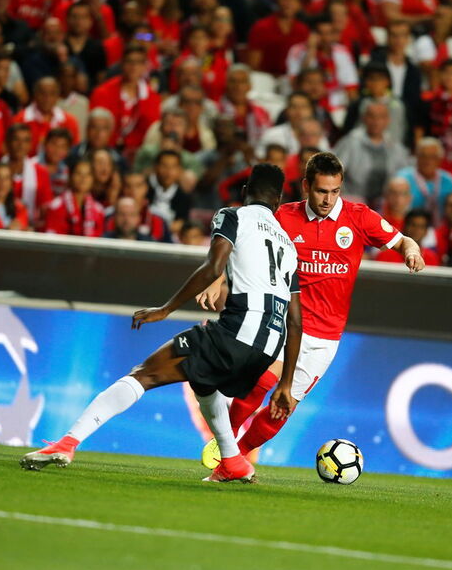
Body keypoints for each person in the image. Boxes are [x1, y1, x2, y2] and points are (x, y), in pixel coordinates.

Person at [22, 163, 303, 484]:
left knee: (145, 374)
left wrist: (166, 308)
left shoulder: (233, 216)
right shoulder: (288, 245)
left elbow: (213, 267)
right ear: (279, 202)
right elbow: (296, 320)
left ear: (244, 193)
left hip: (237, 332)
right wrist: (286, 383)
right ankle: (232, 461)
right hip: (267, 349)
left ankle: (67, 443)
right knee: (204, 385)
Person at [194, 152, 423, 466]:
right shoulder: (283, 217)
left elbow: (402, 241)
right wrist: (218, 277)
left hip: (325, 335)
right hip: (283, 320)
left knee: (282, 406)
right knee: (261, 382)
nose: (328, 200)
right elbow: (237, 240)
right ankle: (225, 441)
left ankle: (238, 457)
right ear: (305, 186)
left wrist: (412, 251)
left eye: (335, 191)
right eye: (321, 191)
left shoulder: (359, 217)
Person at [333, 101, 410, 206]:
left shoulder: (395, 146)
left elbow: (403, 175)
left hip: (385, 203)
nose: (376, 121)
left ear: (388, 120)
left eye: (381, 117)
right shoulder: (350, 142)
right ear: (364, 118)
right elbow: (334, 171)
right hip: (352, 200)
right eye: (372, 117)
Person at [90, 45, 162, 154]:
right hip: (106, 151)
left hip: (140, 154)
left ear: (145, 66)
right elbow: (95, 126)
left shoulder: (153, 98)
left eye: (139, 62)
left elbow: (152, 131)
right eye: (130, 61)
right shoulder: (102, 92)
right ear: (122, 64)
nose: (134, 67)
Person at [246, 0, 308, 76]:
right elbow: (253, 64)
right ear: (278, 0)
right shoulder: (261, 27)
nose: (288, 3)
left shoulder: (303, 30)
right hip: (266, 78)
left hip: (293, 79)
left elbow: (304, 62)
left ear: (299, 4)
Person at [396, 137, 452, 222]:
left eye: (432, 157)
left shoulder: (448, 181)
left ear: (440, 159)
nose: (427, 161)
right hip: (407, 228)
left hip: (441, 230)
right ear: (416, 157)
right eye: (423, 156)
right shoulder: (403, 178)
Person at [14, 77, 80, 152]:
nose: (47, 98)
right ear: (35, 94)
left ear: (58, 96)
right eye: (43, 93)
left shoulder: (70, 121)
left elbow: (73, 152)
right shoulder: (20, 120)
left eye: (52, 94)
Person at [43, 158, 105, 237]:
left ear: (93, 179)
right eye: (79, 174)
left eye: (88, 174)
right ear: (71, 177)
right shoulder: (56, 207)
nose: (83, 179)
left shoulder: (99, 211)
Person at [375, 209, 440, 266]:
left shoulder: (432, 258)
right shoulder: (385, 255)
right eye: (413, 225)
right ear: (404, 227)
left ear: (426, 231)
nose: (416, 230)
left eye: (421, 227)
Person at [0, 161, 29, 230]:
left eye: (6, 178)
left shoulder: (20, 208)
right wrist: (8, 230)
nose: (2, 183)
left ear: (11, 183)